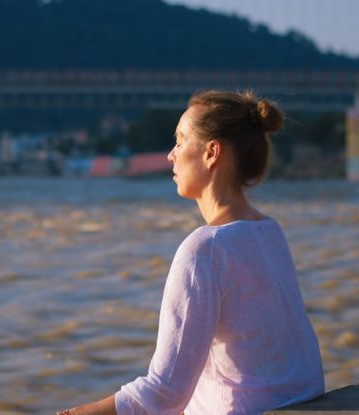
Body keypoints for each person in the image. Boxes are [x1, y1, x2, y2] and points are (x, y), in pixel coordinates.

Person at [55, 90, 324, 415]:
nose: (171, 155)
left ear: (211, 153)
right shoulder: (270, 232)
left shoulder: (205, 249)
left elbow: (163, 393)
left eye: (180, 141)